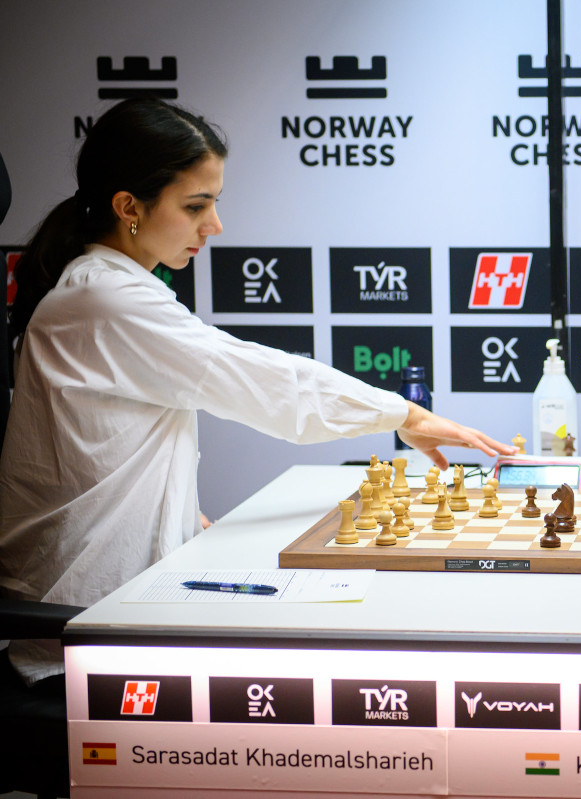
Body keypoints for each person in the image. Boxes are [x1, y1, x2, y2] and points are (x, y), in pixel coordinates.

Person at [0, 98, 516, 684]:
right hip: (86, 637)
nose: (214, 226)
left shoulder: (107, 289)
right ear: (129, 208)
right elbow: (262, 380)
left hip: (119, 607)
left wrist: (179, 515)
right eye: (195, 206)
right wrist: (404, 415)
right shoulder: (104, 300)